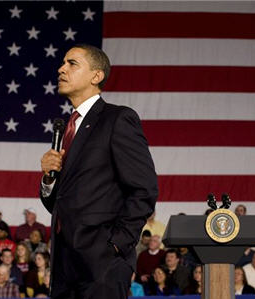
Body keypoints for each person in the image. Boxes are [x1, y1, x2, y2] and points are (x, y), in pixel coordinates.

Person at [40, 44, 158, 299]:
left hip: (102, 264)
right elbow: (59, 203)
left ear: (96, 76)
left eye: (72, 63)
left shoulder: (117, 119)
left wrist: (116, 244)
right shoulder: (67, 129)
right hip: (64, 264)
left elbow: (144, 188)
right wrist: (49, 178)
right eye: (62, 63)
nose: (61, 69)